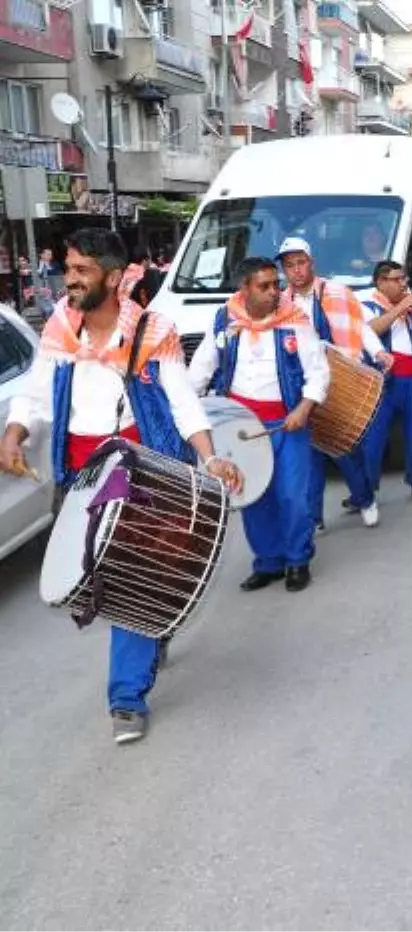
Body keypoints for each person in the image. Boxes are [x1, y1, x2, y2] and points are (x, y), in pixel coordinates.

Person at [0, 229, 241, 745]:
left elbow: (181, 402)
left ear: (113, 278)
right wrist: (14, 433)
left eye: (82, 270)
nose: (70, 279)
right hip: (82, 473)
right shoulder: (60, 328)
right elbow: (36, 396)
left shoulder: (153, 330)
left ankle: (125, 697)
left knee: (128, 573)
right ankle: (154, 626)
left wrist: (210, 456)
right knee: (101, 575)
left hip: (141, 468)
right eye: (68, 268)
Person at [189, 258, 329, 594]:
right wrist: (190, 412)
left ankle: (297, 560)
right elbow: (201, 370)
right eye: (263, 286)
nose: (274, 292)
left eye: (275, 285)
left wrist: (304, 407)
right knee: (252, 496)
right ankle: (268, 562)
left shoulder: (295, 320)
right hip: (239, 427)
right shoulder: (224, 321)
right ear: (245, 289)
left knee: (292, 495)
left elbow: (319, 370)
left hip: (287, 424)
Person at [278, 237, 391, 530]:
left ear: (311, 263)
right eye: (290, 265)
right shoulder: (280, 303)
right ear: (284, 270)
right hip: (303, 385)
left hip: (341, 380)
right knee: (311, 453)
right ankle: (314, 518)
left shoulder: (338, 292)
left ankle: (365, 499)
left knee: (343, 450)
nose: (297, 270)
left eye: (301, 263)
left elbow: (360, 326)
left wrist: (378, 352)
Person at [361, 261, 412, 503]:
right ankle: (365, 491)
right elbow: (370, 330)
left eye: (404, 279)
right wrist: (401, 308)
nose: (403, 284)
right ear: (380, 282)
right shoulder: (368, 305)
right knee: (374, 437)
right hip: (384, 379)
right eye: (397, 279)